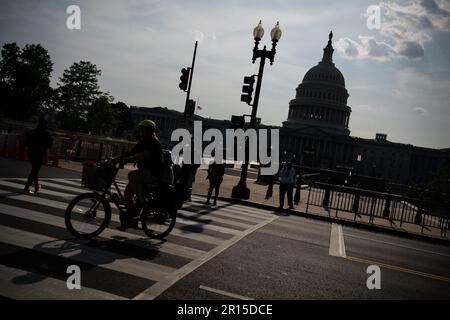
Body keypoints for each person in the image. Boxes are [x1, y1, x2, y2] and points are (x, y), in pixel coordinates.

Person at [118, 119, 163, 230]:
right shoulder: (143, 141)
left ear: (149, 131)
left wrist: (130, 159)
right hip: (144, 173)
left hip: (153, 173)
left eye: (144, 130)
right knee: (127, 193)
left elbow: (144, 155)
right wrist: (115, 159)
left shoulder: (154, 143)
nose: (141, 132)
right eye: (141, 130)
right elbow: (132, 152)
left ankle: (142, 201)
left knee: (132, 175)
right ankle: (131, 217)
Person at [21, 118, 53, 195]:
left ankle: (36, 187)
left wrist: (20, 150)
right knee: (34, 171)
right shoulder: (46, 134)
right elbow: (50, 144)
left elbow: (25, 142)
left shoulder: (31, 132)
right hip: (40, 154)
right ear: (45, 125)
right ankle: (26, 188)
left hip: (31, 153)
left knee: (34, 170)